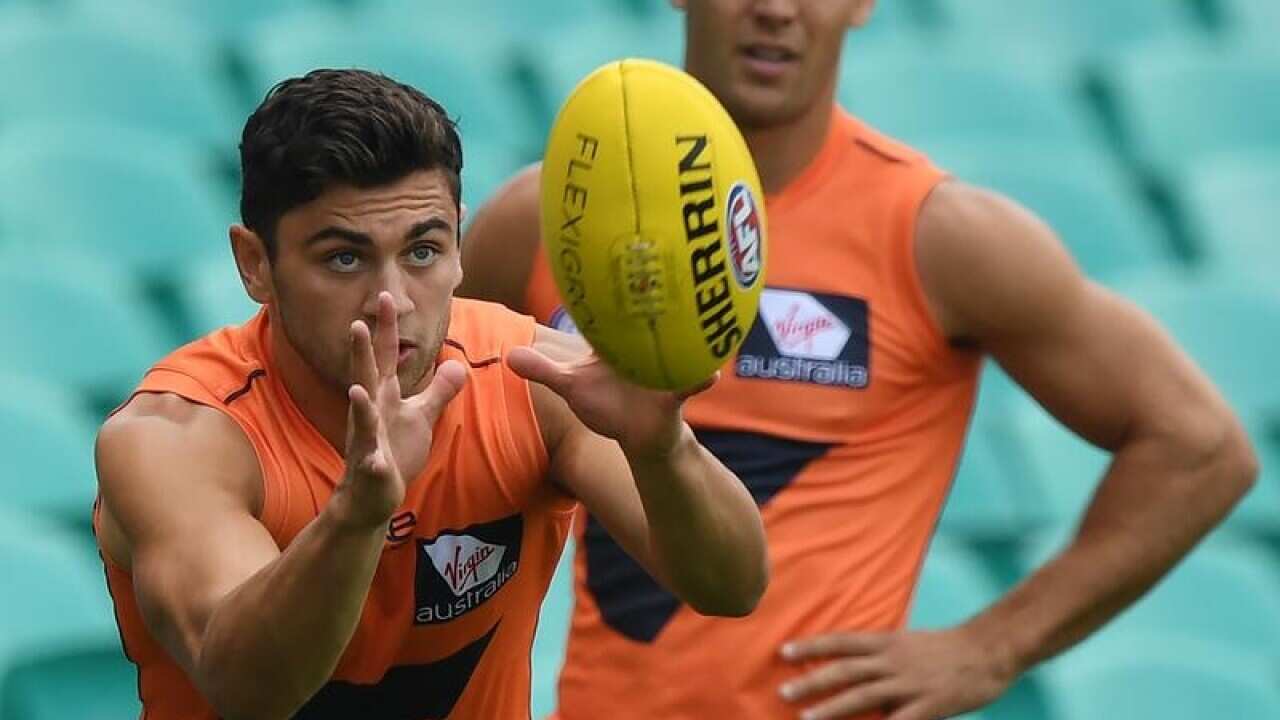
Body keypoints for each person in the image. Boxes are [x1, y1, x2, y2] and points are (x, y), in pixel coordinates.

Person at [457, 1, 1259, 718]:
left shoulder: (938, 235)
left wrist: (994, 646)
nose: (776, 11)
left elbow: (1201, 448)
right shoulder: (541, 223)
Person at [92, 68, 767, 720]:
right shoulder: (174, 439)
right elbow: (248, 691)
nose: (392, 299)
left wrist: (662, 449)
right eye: (344, 258)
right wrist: (358, 514)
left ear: (458, 246)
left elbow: (732, 587)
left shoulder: (531, 380)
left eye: (422, 251)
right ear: (255, 265)